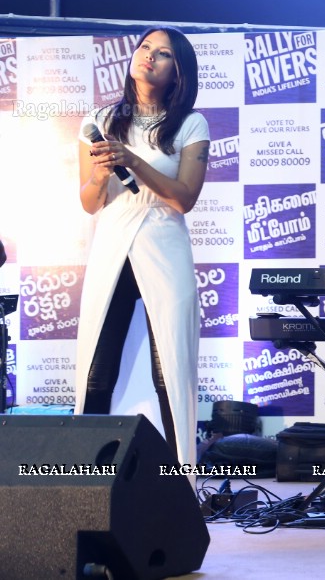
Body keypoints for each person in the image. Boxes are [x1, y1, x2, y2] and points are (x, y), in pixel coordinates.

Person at [75, 27, 209, 470]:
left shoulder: (190, 124)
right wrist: (100, 174)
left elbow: (183, 198)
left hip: (164, 249)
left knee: (169, 370)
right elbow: (92, 202)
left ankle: (178, 491)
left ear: (178, 73)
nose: (149, 57)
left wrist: (133, 160)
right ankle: (80, 490)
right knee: (97, 370)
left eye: (164, 54)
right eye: (145, 47)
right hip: (113, 246)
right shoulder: (100, 119)